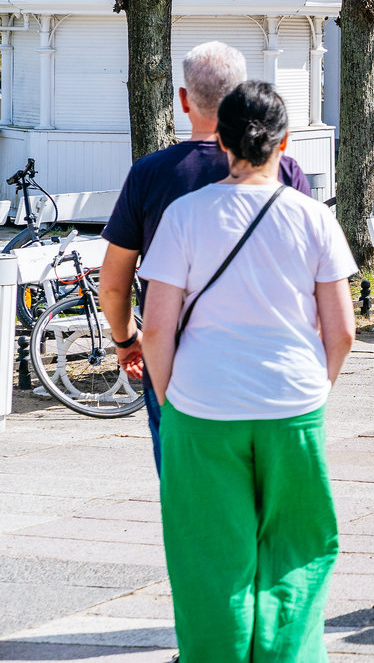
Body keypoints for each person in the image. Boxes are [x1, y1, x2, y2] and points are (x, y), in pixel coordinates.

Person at [140, 81, 357, 660]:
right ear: (284, 144)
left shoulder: (185, 216)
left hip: (203, 405)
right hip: (292, 405)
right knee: (299, 550)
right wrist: (315, 390)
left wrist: (170, 396)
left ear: (221, 140)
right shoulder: (313, 218)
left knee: (208, 555)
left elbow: (156, 328)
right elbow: (341, 331)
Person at [100, 41, 312, 475]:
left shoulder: (150, 173)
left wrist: (126, 341)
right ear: (243, 98)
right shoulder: (284, 171)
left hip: (178, 366)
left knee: (189, 497)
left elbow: (115, 283)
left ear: (183, 99)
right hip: (270, 363)